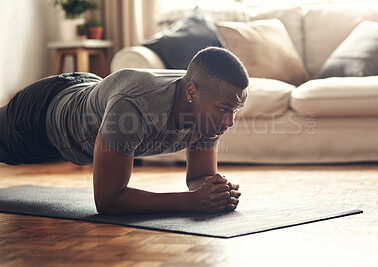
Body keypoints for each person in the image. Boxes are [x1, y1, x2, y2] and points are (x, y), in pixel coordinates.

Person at [0, 47, 249, 215]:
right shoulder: (134, 106)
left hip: (88, 89)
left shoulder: (210, 111)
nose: (229, 122)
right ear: (192, 92)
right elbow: (108, 200)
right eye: (225, 109)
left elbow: (199, 176)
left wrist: (216, 192)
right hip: (40, 118)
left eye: (235, 110)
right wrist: (192, 202)